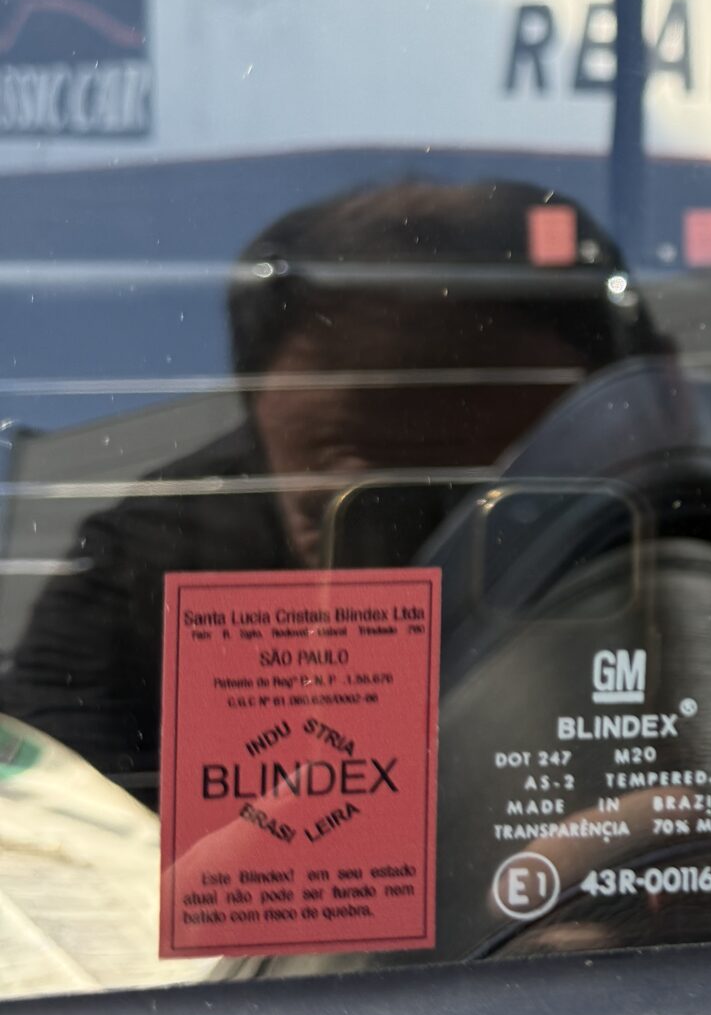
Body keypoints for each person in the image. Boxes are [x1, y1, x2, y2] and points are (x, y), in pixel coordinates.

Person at [3, 178, 643, 787]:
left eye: (510, 505)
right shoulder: (160, 555)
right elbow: (49, 822)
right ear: (261, 434)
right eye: (374, 516)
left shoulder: (673, 519)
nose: (440, 569)